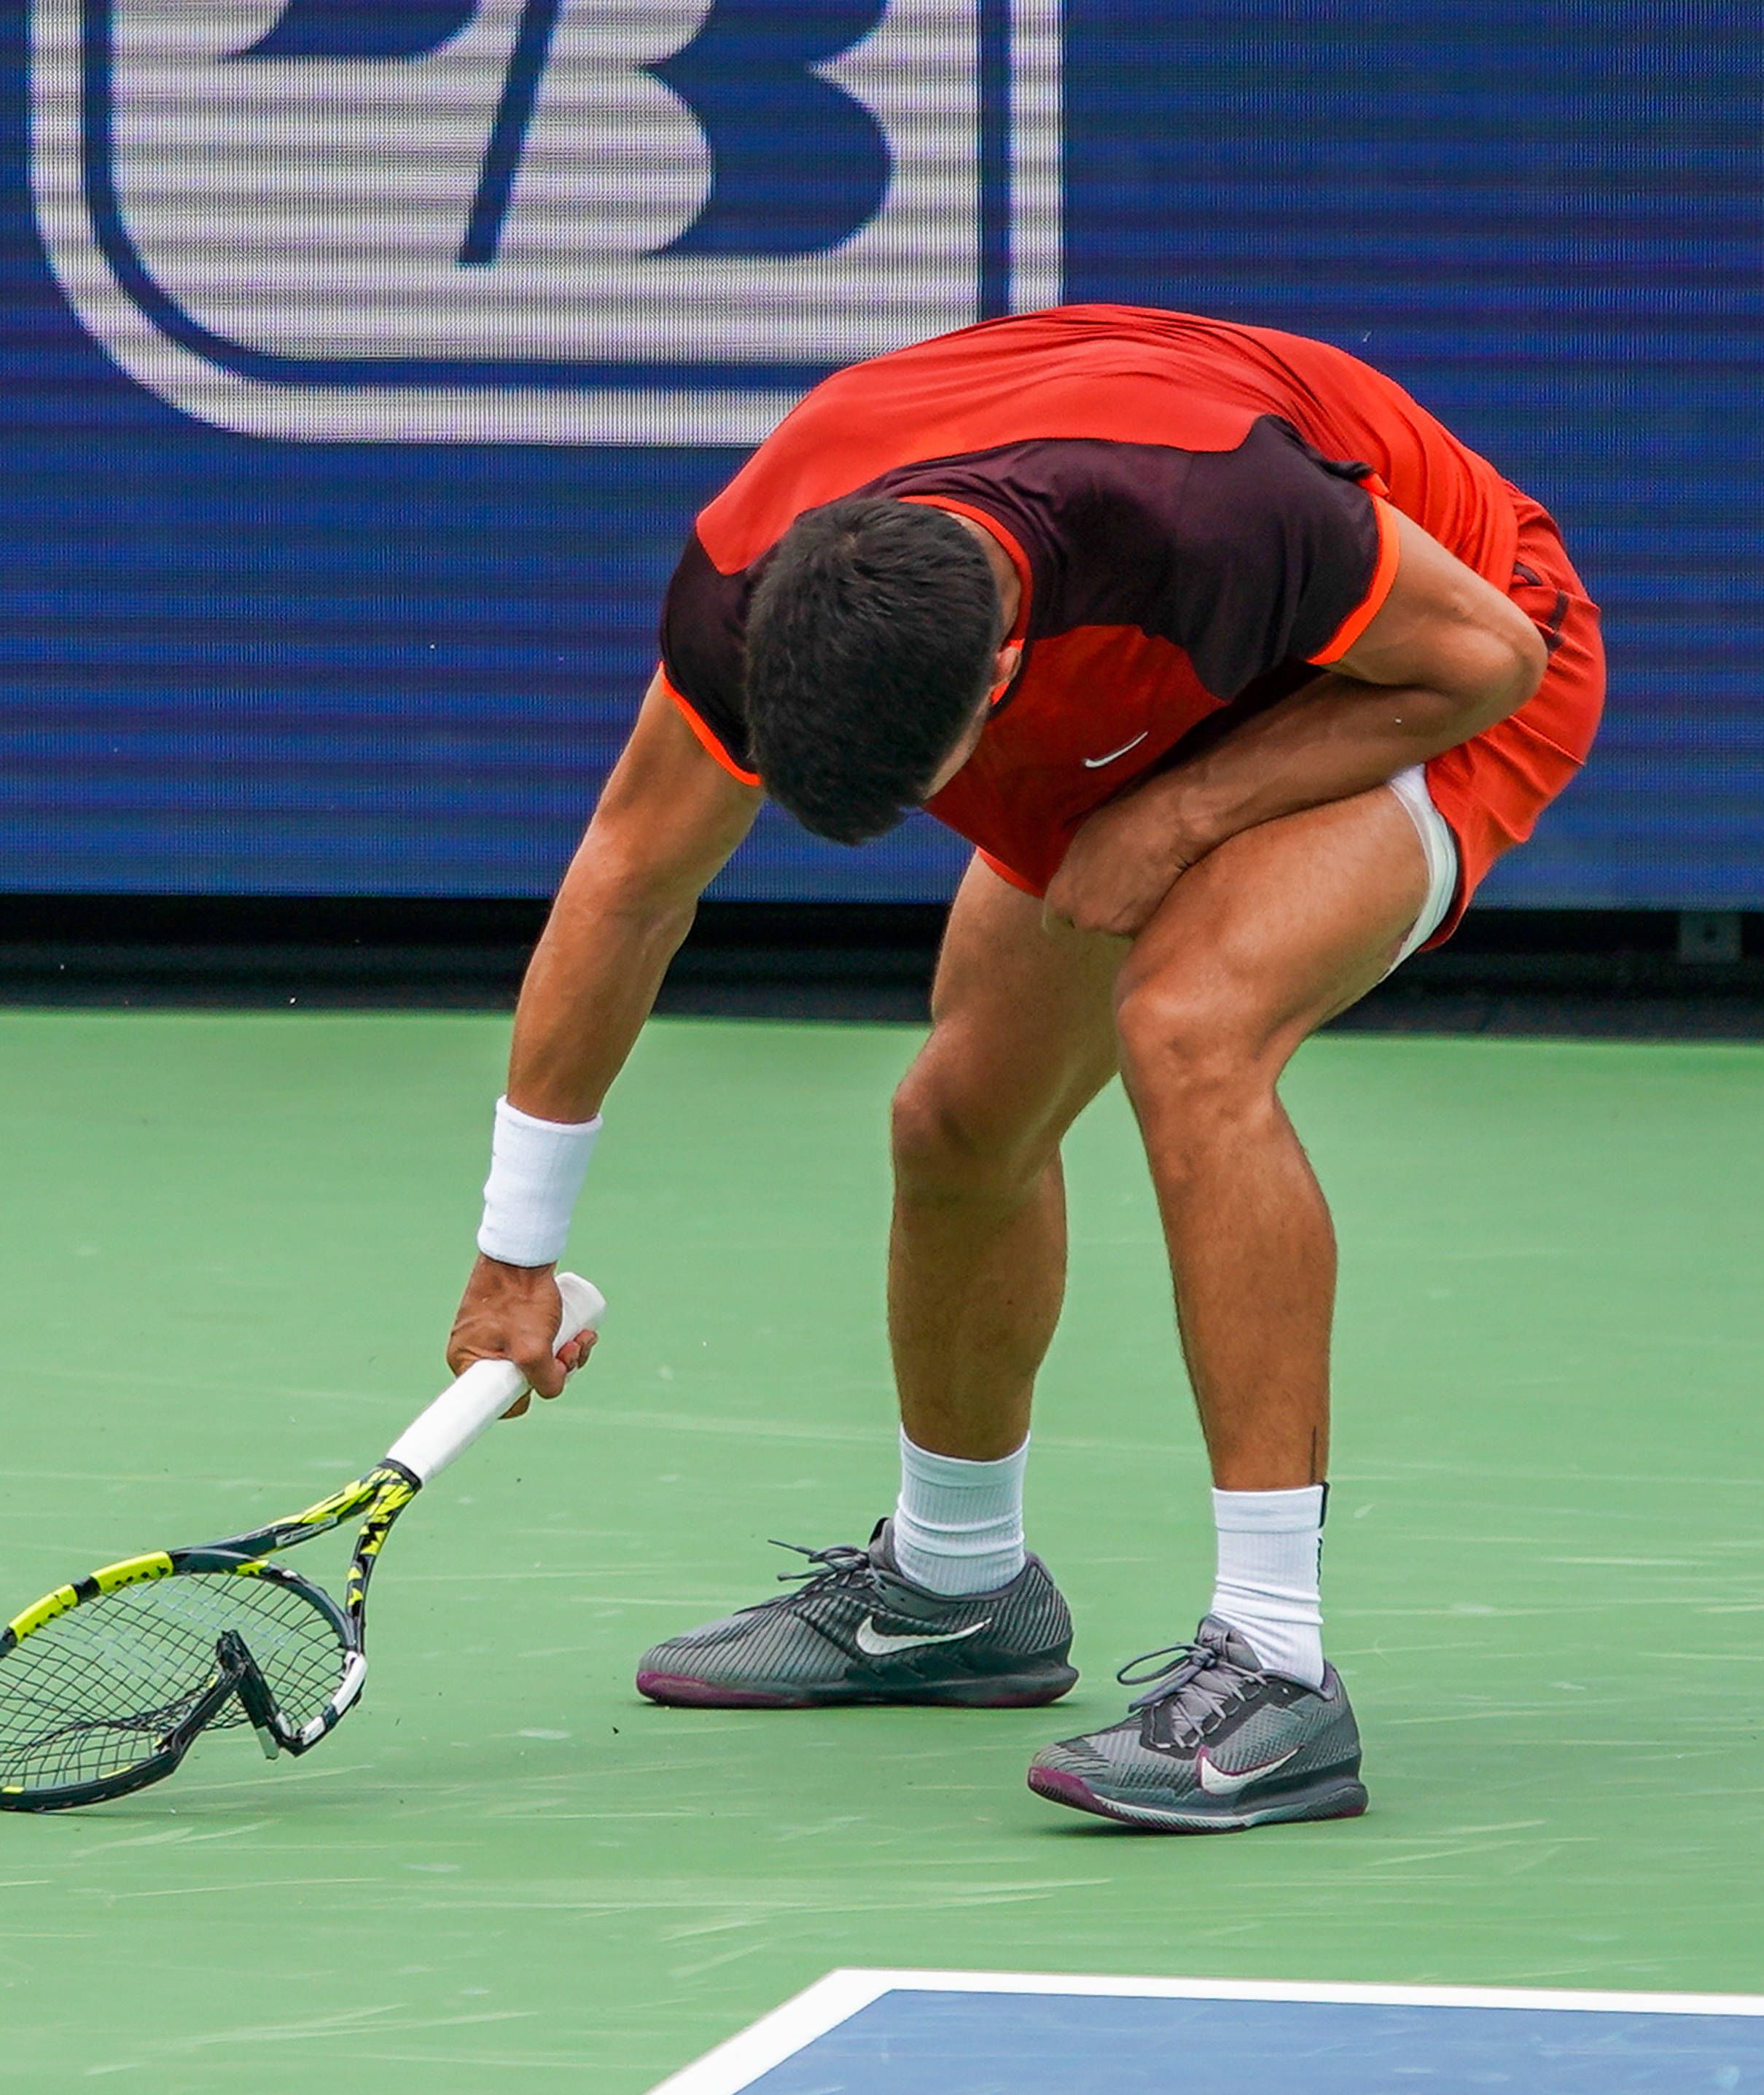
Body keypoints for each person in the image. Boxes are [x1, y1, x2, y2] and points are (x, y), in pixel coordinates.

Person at [444, 303, 1604, 1831]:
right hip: (1153, 673)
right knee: (956, 1119)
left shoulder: (1206, 509)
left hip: (1428, 653)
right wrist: (513, 1258)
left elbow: (1483, 661)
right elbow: (630, 881)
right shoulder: (751, 582)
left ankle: (1275, 1667)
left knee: (1188, 1030)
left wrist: (1180, 816)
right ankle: (954, 1586)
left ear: (997, 681)